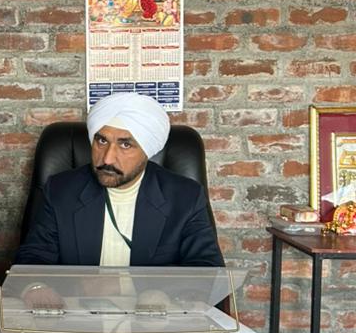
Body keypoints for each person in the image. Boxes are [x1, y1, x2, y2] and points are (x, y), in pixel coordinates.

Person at [16, 92, 223, 268]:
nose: (107, 158)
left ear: (147, 151)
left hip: (154, 304)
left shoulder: (186, 197)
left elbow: (206, 269)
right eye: (101, 140)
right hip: (78, 302)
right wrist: (38, 289)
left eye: (125, 145)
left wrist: (161, 294)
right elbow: (33, 258)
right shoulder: (60, 191)